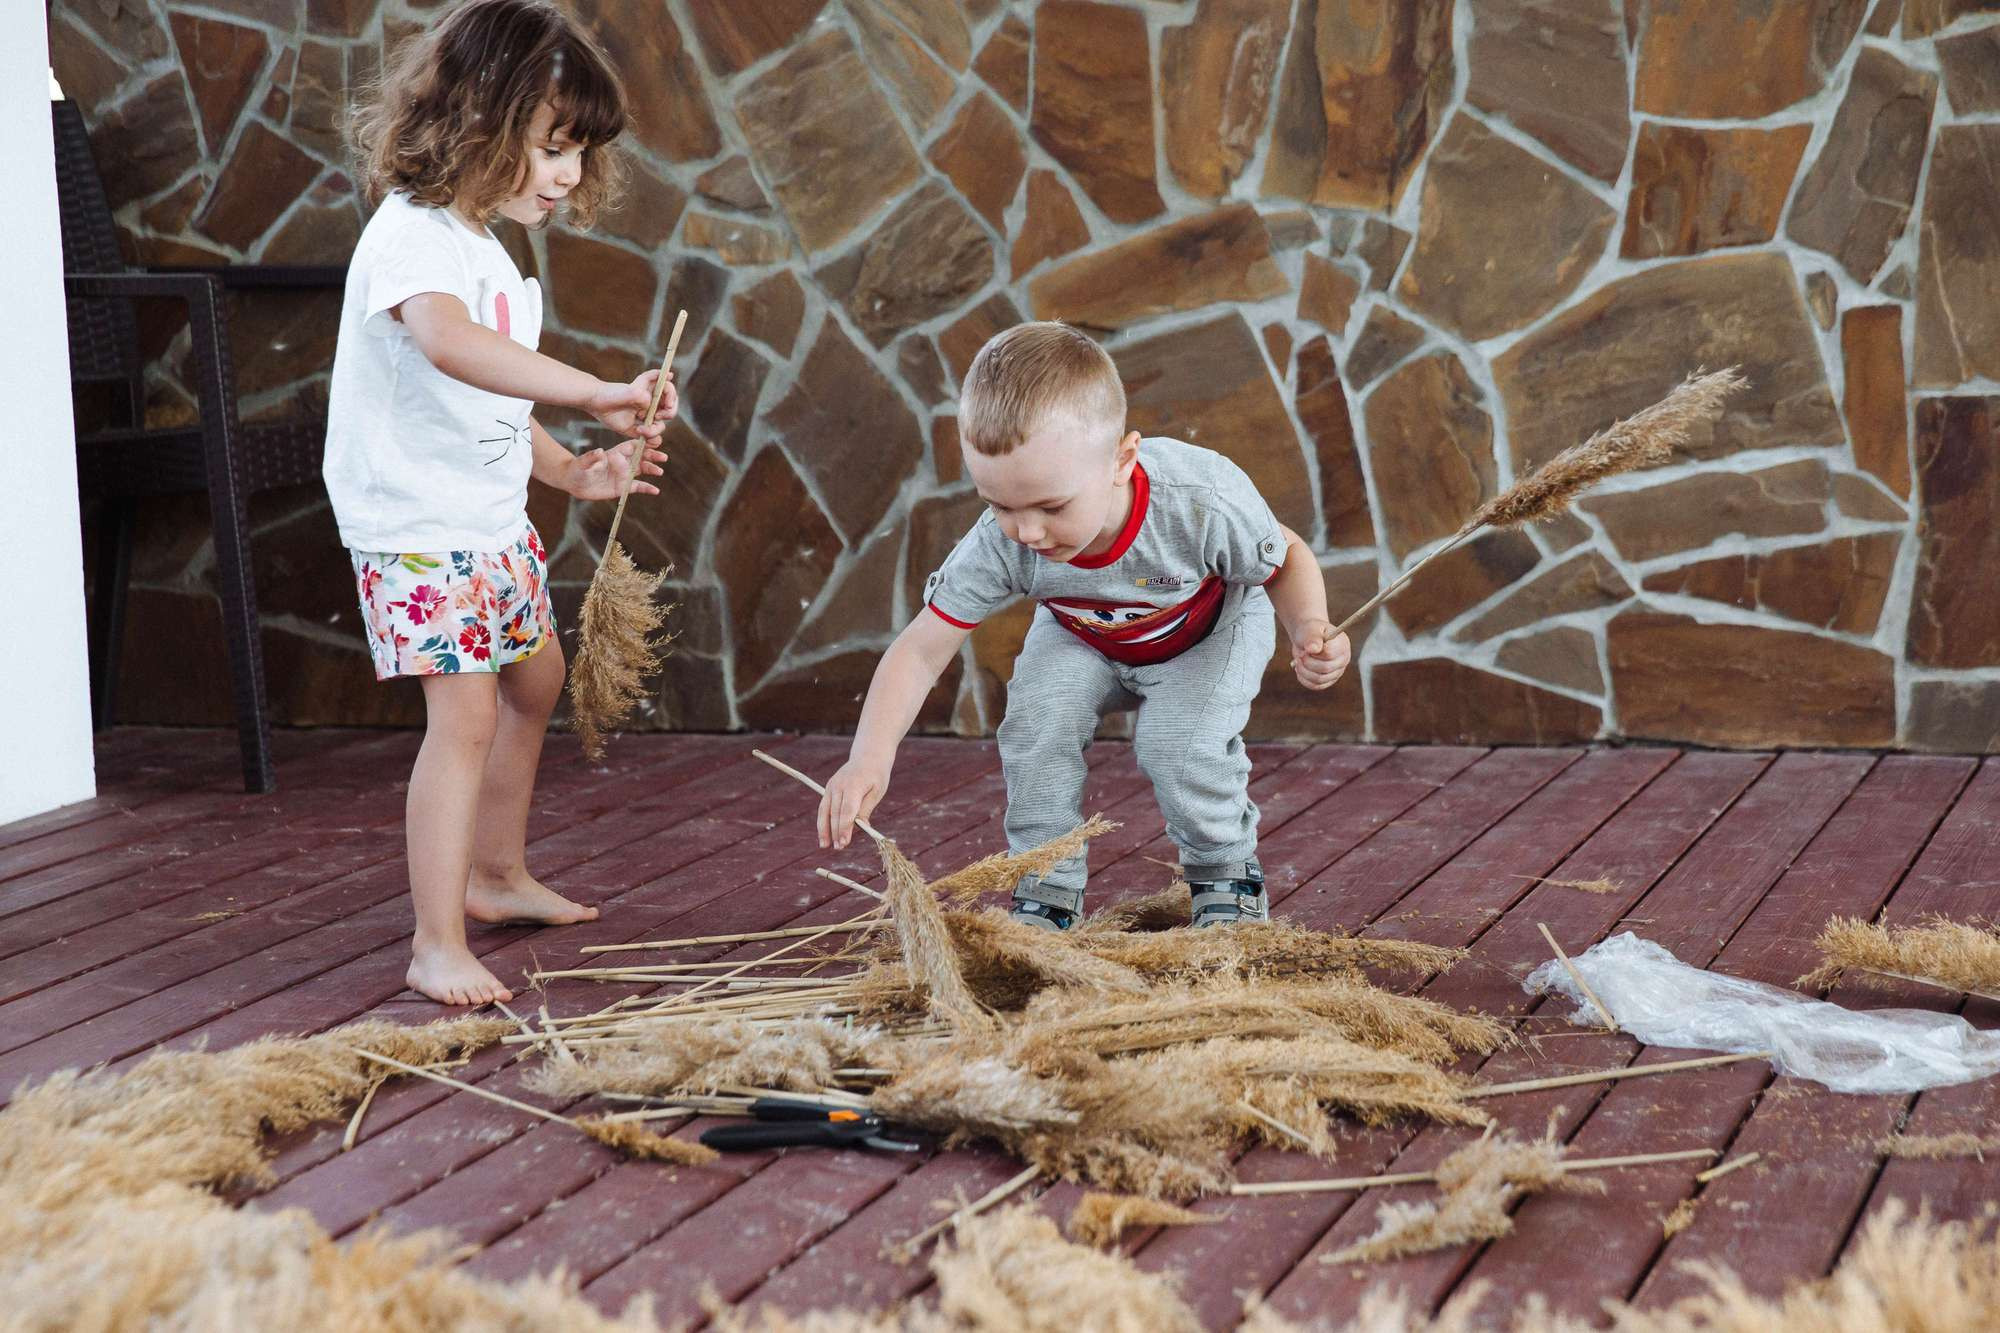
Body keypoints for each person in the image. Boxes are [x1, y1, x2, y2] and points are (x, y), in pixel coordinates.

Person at [327, 0, 673, 1005]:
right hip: (415, 526)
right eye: (553, 147)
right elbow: (449, 346)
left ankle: (494, 872)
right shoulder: (413, 235)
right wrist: (595, 388)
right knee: (467, 711)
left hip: (483, 520)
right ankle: (435, 942)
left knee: (536, 678)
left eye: (580, 153)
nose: (567, 174)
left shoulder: (486, 248)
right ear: (479, 118)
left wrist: (568, 470)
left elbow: (489, 396)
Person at [818, 322, 1351, 930]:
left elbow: (1285, 554)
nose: (1027, 532)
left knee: (1178, 745)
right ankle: (1046, 883)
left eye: (1051, 506)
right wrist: (869, 757)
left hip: (1205, 629)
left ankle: (1224, 872)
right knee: (1036, 723)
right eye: (999, 505)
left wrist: (1310, 625)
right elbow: (920, 650)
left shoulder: (1200, 500)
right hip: (1084, 636)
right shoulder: (1002, 543)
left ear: (1122, 461)